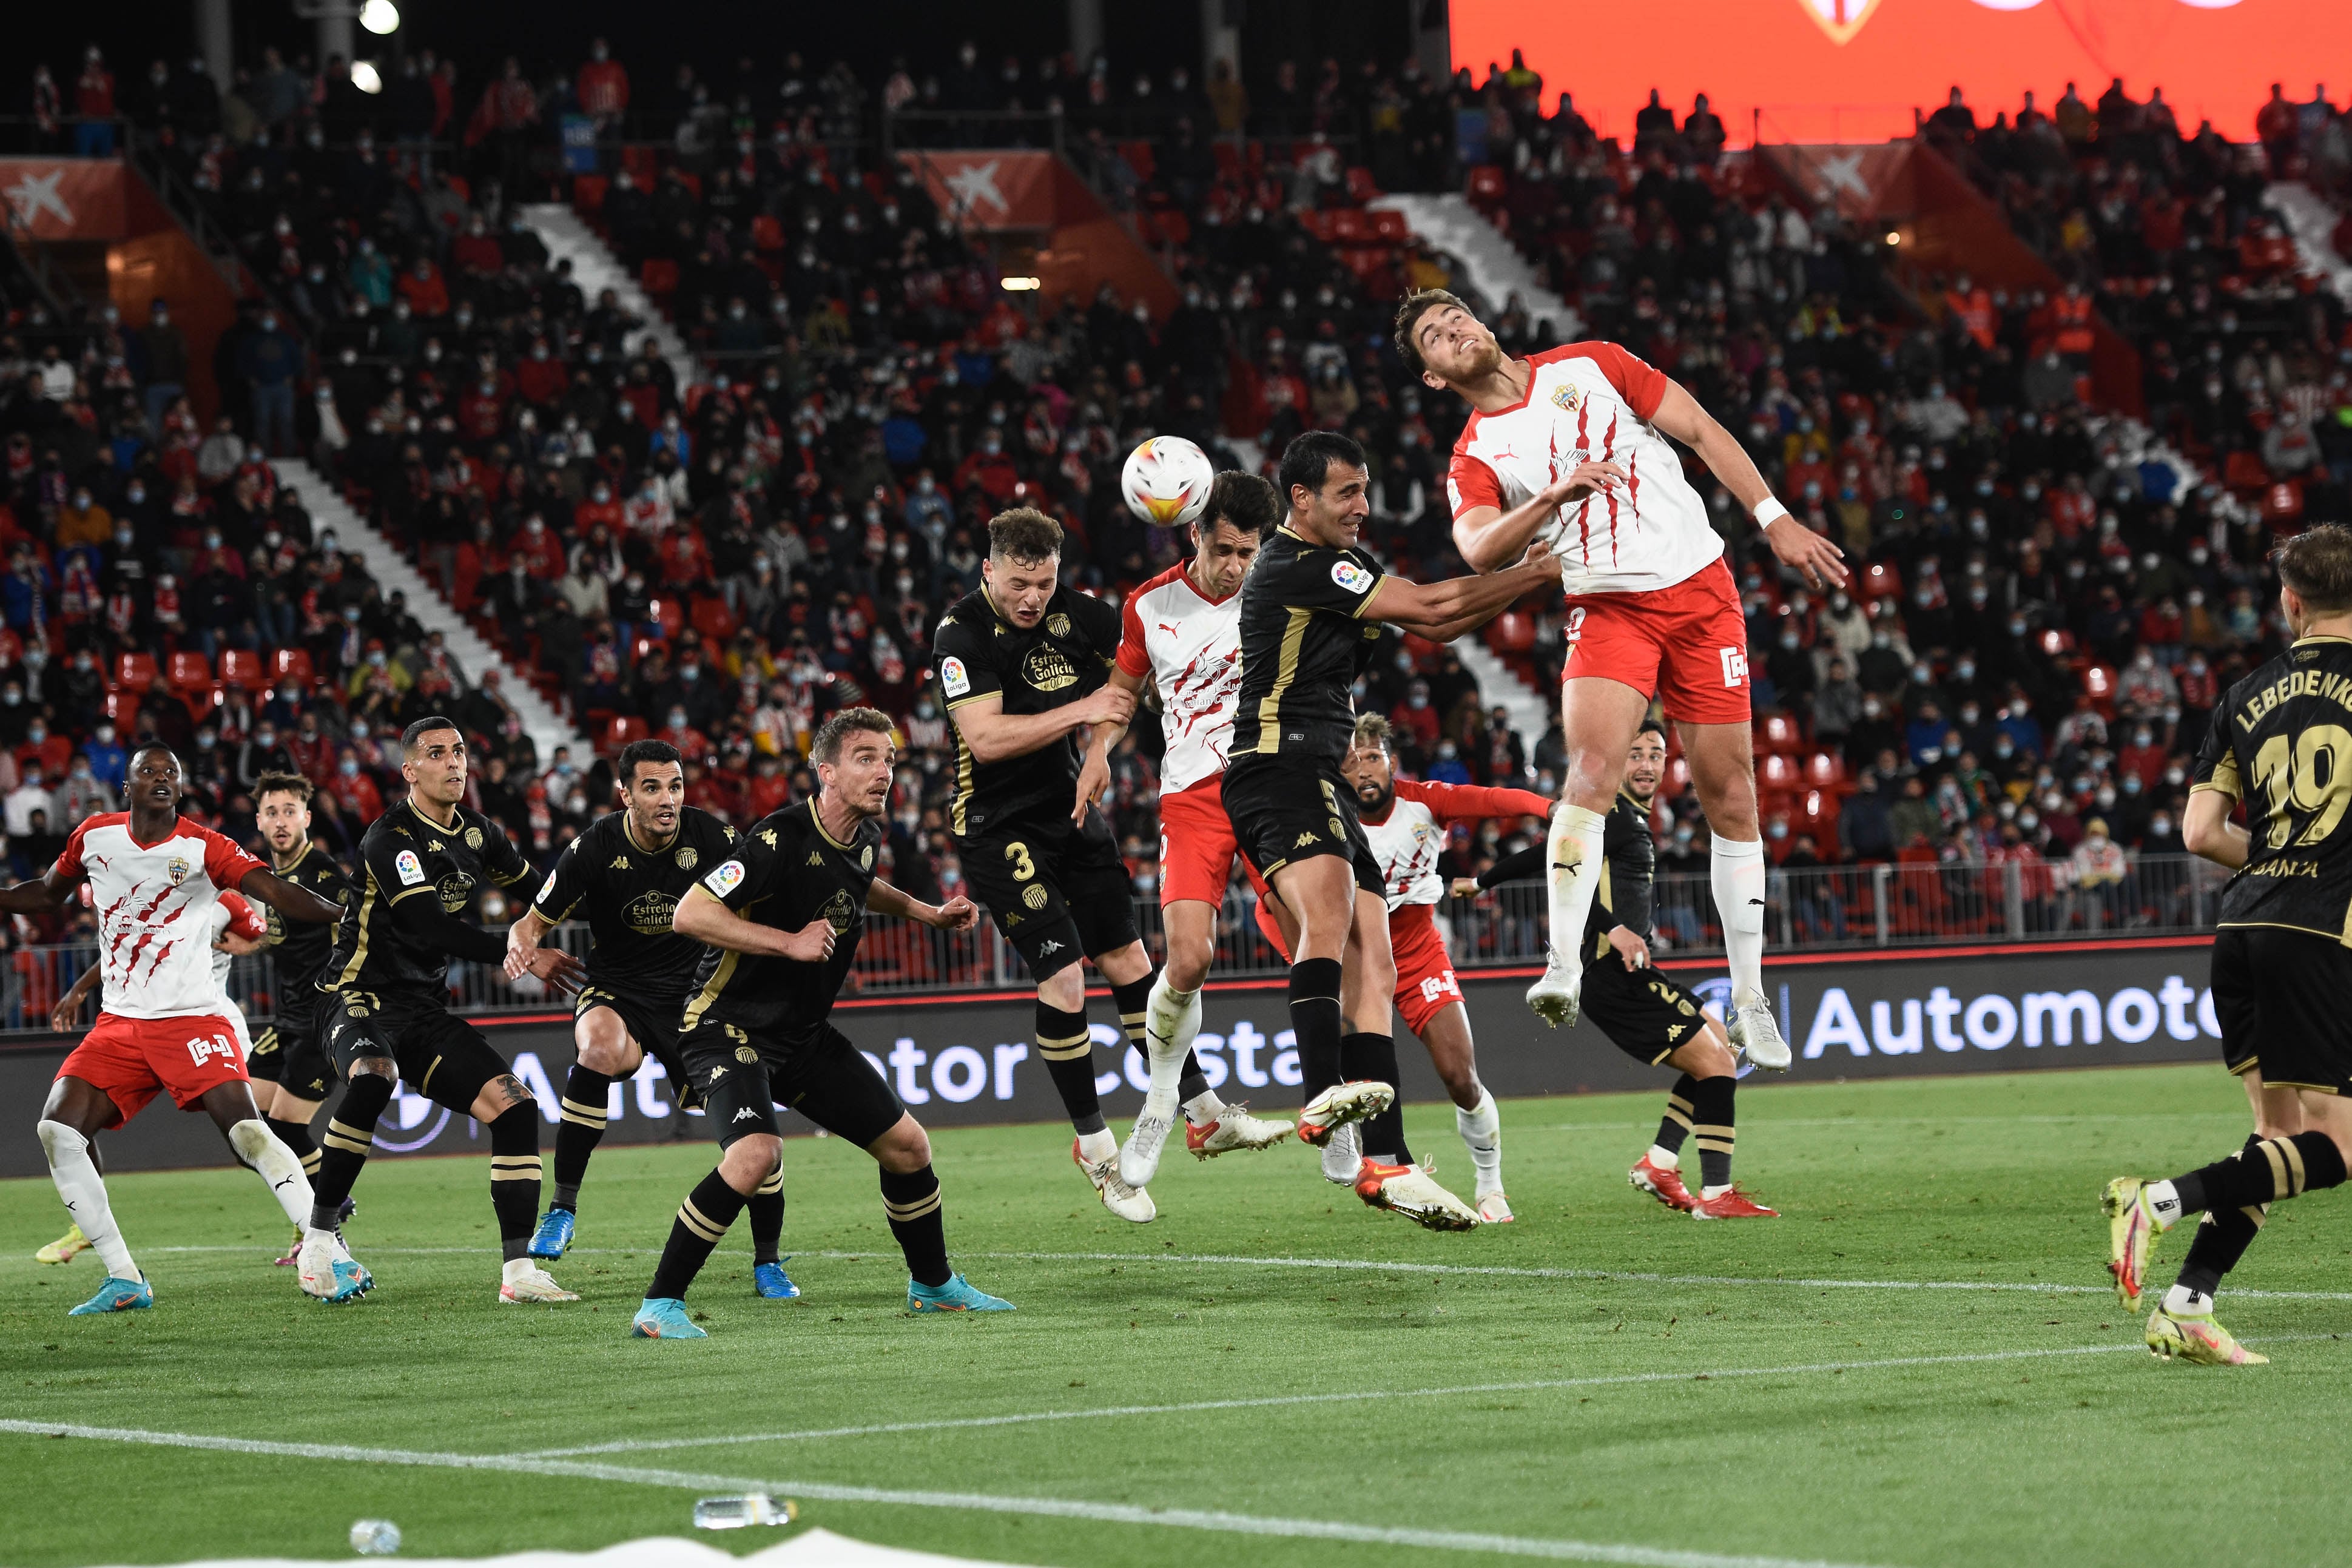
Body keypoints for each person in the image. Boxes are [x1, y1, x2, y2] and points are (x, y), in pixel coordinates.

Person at [1397, 288, 1848, 1067]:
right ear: (1433, 376)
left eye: (1455, 315)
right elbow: (1478, 548)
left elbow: (1700, 428)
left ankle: (1749, 999)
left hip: (1702, 594)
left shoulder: (1592, 362)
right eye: (1433, 336)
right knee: (1591, 772)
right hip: (1609, 606)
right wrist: (1551, 495)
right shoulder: (1474, 454)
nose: (1453, 330)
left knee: (1732, 794)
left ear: (1483, 321)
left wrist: (1773, 518)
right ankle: (1563, 965)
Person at [1219, 431, 1555, 1230]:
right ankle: (1321, 1099)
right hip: (1276, 766)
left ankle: (1386, 1160)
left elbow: (1440, 626)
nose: (1363, 506)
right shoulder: (1295, 564)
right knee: (1332, 920)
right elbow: (1435, 606)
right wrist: (1537, 571)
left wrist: (1529, 575)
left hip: (1321, 776)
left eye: (1365, 490)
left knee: (1375, 958)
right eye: (1346, 492)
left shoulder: (1347, 567)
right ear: (1301, 498)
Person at [633, 708, 1004, 1336]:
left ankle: (934, 1285)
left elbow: (860, 884)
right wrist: (789, 942)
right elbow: (690, 912)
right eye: (866, 758)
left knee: (909, 1146)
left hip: (800, 1033)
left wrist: (927, 913)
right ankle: (659, 1305)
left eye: (889, 759)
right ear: (826, 772)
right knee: (757, 1152)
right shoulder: (776, 839)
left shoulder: (865, 834)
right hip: (726, 1024)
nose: (884, 771)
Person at [2105, 525, 2352, 1365]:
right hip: (2320, 932)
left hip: (2242, 925)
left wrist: (2280, 861)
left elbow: (2201, 832)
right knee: (2336, 1149)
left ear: (2291, 601)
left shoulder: (2245, 693)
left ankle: (2186, 1303)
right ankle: (2157, 1201)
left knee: (2274, 1138)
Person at [1, 745, 346, 1314]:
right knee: (57, 1129)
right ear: (128, 785)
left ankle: (331, 1251)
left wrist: (342, 913)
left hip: (192, 1018)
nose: (161, 778)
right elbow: (43, 892)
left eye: (171, 773)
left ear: (181, 788)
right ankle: (124, 1278)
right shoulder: (94, 837)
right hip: (119, 1024)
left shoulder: (205, 847)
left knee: (248, 1132)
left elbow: (274, 893)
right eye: (149, 771)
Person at [302, 718, 587, 1306]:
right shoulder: (390, 838)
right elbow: (429, 925)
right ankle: (319, 1240)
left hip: (422, 1008)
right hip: (356, 994)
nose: (454, 762)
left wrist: (612, 903)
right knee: (374, 1077)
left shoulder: (478, 833)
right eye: (437, 753)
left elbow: (541, 891)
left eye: (459, 750)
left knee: (516, 1106)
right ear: (410, 770)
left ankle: (519, 1273)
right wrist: (524, 952)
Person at [931, 508, 1164, 1222]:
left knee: (1128, 957)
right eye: (1018, 584)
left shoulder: (1081, 614)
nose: (1032, 598)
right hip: (994, 823)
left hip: (1069, 808)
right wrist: (1082, 710)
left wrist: (1098, 748)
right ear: (989, 571)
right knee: (1064, 972)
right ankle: (1095, 1146)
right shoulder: (960, 632)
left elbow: (1131, 681)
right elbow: (986, 738)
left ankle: (1197, 1106)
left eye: (1044, 583)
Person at [504, 739, 797, 1299]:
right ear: (626, 795)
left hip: (698, 1000)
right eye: (652, 787)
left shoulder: (712, 837)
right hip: (621, 992)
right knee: (598, 1048)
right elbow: (530, 921)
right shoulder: (593, 846)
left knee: (752, 1129)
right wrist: (525, 948)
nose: (668, 799)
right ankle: (562, 1209)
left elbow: (769, 890)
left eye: (676, 786)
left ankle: (768, 1260)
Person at [1466, 722, 1777, 1219]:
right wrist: (1613, 928)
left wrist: (1482, 880)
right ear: (1617, 760)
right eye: (1635, 754)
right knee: (1718, 1063)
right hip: (1612, 974)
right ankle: (1715, 1193)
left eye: (1655, 754)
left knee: (1722, 1044)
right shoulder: (1611, 815)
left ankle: (1660, 1162)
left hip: (1632, 969)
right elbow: (1557, 860)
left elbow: (1546, 852)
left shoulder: (1628, 819)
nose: (1646, 764)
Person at [1262, 713, 1549, 1222]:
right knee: (1354, 1073)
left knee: (1459, 1074)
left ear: (1391, 762)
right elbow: (1270, 903)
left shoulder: (1425, 800)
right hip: (1351, 956)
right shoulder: (1322, 818)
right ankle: (1381, 1158)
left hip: (1417, 950)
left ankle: (1490, 1185)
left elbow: (1490, 799)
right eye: (1353, 761)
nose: (1364, 770)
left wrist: (1550, 808)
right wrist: (1302, 960)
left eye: (1373, 757)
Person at [1092, 471, 1295, 1191]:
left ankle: (1342, 1116)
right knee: (1188, 958)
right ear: (1194, 535)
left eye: (1248, 552)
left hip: (1269, 786)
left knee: (1316, 948)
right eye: (1224, 550)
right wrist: (1096, 753)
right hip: (1191, 798)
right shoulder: (1148, 605)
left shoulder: (1277, 590)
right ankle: (1164, 1107)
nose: (1236, 566)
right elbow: (1121, 694)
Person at [244, 773, 354, 1264]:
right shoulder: (267, 877)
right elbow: (278, 936)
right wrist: (246, 941)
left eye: (290, 811)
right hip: (286, 1018)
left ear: (307, 817)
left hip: (322, 1016)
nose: (281, 821)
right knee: (248, 1128)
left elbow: (357, 925)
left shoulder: (324, 874)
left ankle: (329, 1224)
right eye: (272, 812)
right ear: (259, 821)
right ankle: (313, 1213)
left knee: (286, 1127)